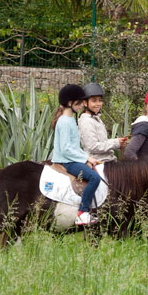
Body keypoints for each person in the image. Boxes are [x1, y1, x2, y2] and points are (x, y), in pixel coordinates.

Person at [50, 83, 100, 226]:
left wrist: (87, 159)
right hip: (67, 162)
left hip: (71, 159)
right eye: (78, 103)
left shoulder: (71, 119)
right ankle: (82, 212)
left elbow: (74, 147)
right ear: (70, 103)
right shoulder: (65, 122)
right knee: (94, 178)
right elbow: (66, 149)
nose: (81, 106)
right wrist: (86, 158)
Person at [78, 81, 126, 163]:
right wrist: (115, 143)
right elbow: (92, 146)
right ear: (85, 103)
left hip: (107, 160)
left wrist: (118, 143)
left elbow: (103, 142)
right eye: (94, 101)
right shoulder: (86, 121)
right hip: (97, 162)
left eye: (100, 100)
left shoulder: (96, 118)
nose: (98, 104)